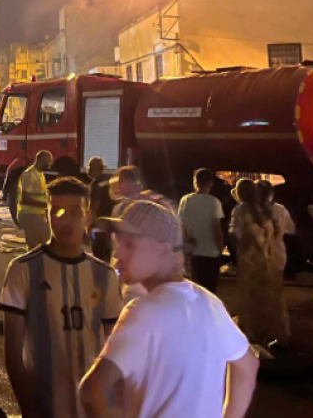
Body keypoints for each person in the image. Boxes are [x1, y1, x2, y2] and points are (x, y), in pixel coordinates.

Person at [79, 200, 259, 418]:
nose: (117, 253)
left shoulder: (144, 310)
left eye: (129, 244)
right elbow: (247, 366)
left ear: (163, 249)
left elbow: (93, 391)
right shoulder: (209, 302)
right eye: (118, 242)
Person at [0, 177, 121, 418]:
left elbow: (114, 349)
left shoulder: (105, 276)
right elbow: (13, 355)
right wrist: (28, 408)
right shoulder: (23, 269)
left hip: (93, 407)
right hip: (44, 404)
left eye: (75, 212)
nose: (65, 219)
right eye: (58, 211)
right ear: (47, 215)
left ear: (87, 217)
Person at [231, 178, 289, 347]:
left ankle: (252, 335)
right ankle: (275, 334)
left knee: (250, 297)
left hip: (249, 261)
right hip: (267, 260)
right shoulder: (265, 210)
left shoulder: (241, 211)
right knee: (269, 297)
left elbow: (239, 236)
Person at [179, 168, 226, 293]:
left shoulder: (186, 200)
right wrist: (220, 247)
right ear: (211, 183)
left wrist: (183, 247)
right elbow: (216, 228)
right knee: (210, 289)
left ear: (195, 182)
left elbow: (182, 226)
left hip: (194, 251)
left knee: (196, 289)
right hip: (211, 252)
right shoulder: (214, 202)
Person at [18, 151, 53, 250]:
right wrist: (45, 205)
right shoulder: (29, 175)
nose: (51, 164)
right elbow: (24, 199)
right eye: (49, 161)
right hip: (29, 215)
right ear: (41, 160)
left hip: (37, 215)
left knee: (45, 243)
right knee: (35, 247)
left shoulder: (40, 174)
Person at [86, 157, 114, 262]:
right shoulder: (109, 180)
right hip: (110, 219)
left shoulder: (95, 183)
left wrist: (90, 222)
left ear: (93, 168)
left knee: (98, 251)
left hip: (99, 220)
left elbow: (95, 203)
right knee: (107, 250)